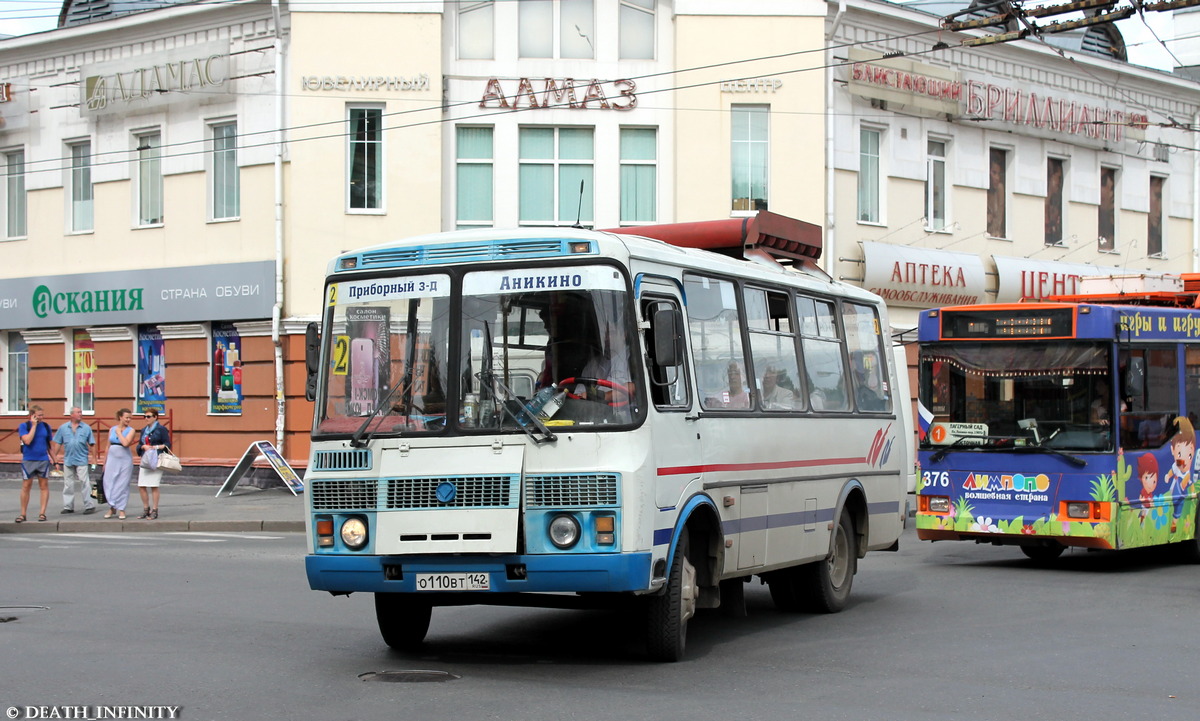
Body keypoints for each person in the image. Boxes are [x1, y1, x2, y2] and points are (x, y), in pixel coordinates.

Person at [52, 406, 97, 515]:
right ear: (72, 415)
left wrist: (94, 459)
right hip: (68, 459)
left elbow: (92, 444)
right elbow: (58, 442)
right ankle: (68, 506)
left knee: (84, 482)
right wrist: (54, 457)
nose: (81, 414)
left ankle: (89, 505)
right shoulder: (63, 428)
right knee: (68, 483)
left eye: (81, 412)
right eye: (78, 412)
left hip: (82, 459)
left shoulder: (86, 428)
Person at [16, 405, 53, 523]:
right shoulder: (24, 426)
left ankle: (42, 513)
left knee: (44, 486)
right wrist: (34, 426)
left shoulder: (46, 427)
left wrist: (55, 460)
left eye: (42, 415)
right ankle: (23, 514)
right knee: (26, 486)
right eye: (39, 415)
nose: (41, 417)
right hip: (28, 459)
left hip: (43, 459)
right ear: (32, 415)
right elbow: (27, 440)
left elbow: (49, 445)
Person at [102, 408, 137, 520]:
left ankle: (121, 509)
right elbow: (108, 446)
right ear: (120, 417)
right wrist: (104, 462)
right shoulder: (112, 429)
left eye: (130, 418)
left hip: (125, 459)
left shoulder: (131, 430)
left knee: (122, 483)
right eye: (127, 417)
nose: (128, 420)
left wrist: (119, 433)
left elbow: (126, 443)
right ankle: (112, 507)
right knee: (109, 482)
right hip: (112, 459)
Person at [137, 408, 171, 520]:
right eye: (145, 416)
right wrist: (143, 447)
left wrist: (156, 447)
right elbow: (139, 445)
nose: (146, 418)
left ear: (155, 417)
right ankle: (146, 509)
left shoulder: (161, 429)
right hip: (146, 460)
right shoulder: (143, 430)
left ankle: (155, 510)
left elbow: (167, 444)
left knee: (154, 485)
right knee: (141, 485)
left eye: (148, 416)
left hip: (156, 459)